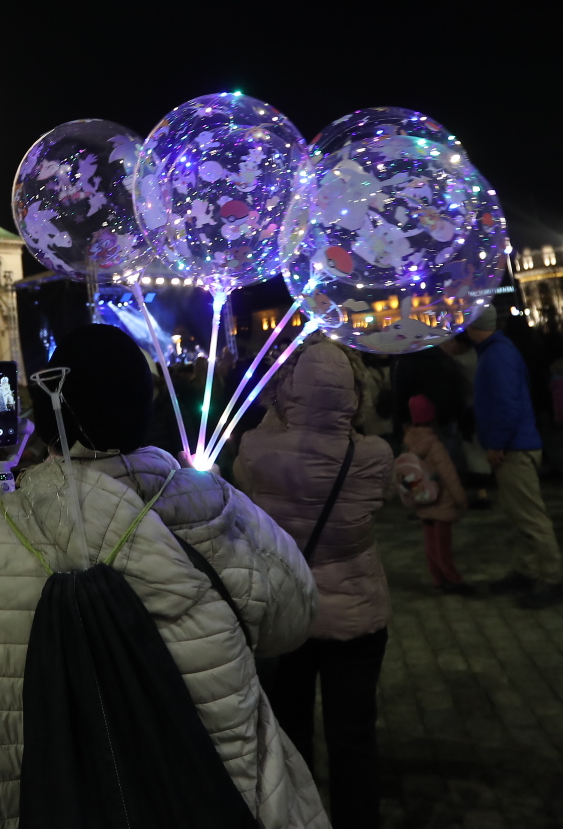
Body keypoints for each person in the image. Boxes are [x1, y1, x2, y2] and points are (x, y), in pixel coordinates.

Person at [0, 324, 326, 828]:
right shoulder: (211, 506)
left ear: (41, 414)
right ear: (143, 410)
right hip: (211, 799)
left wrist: (5, 481)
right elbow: (295, 615)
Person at [232, 338, 399, 827]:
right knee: (355, 735)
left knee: (291, 731)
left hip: (289, 613)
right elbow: (382, 501)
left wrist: (277, 413)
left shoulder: (257, 447)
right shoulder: (374, 455)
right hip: (358, 612)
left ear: (287, 389)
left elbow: (245, 480)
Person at [470, 307, 563, 608]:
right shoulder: (498, 350)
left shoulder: (496, 355)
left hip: (514, 448)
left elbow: (507, 406)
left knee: (530, 517)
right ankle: (528, 570)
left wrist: (496, 444)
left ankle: (550, 578)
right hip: (516, 444)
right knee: (520, 514)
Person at [400, 393, 471, 594]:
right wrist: (461, 500)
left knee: (430, 544)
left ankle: (437, 578)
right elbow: (449, 475)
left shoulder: (409, 443)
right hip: (441, 502)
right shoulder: (435, 446)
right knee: (443, 546)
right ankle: (453, 580)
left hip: (423, 499)